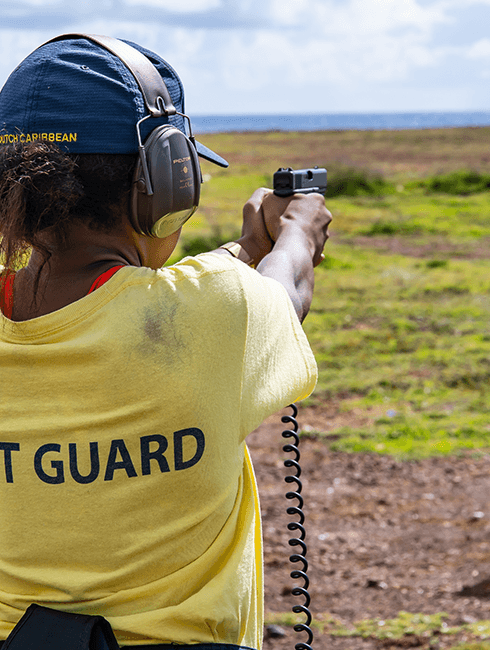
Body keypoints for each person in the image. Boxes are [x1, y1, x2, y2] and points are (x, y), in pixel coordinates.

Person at [0, 34, 331, 649]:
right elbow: (283, 293)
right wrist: (295, 232)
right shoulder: (220, 311)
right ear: (166, 181)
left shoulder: (208, 307)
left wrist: (247, 253)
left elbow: (140, 298)